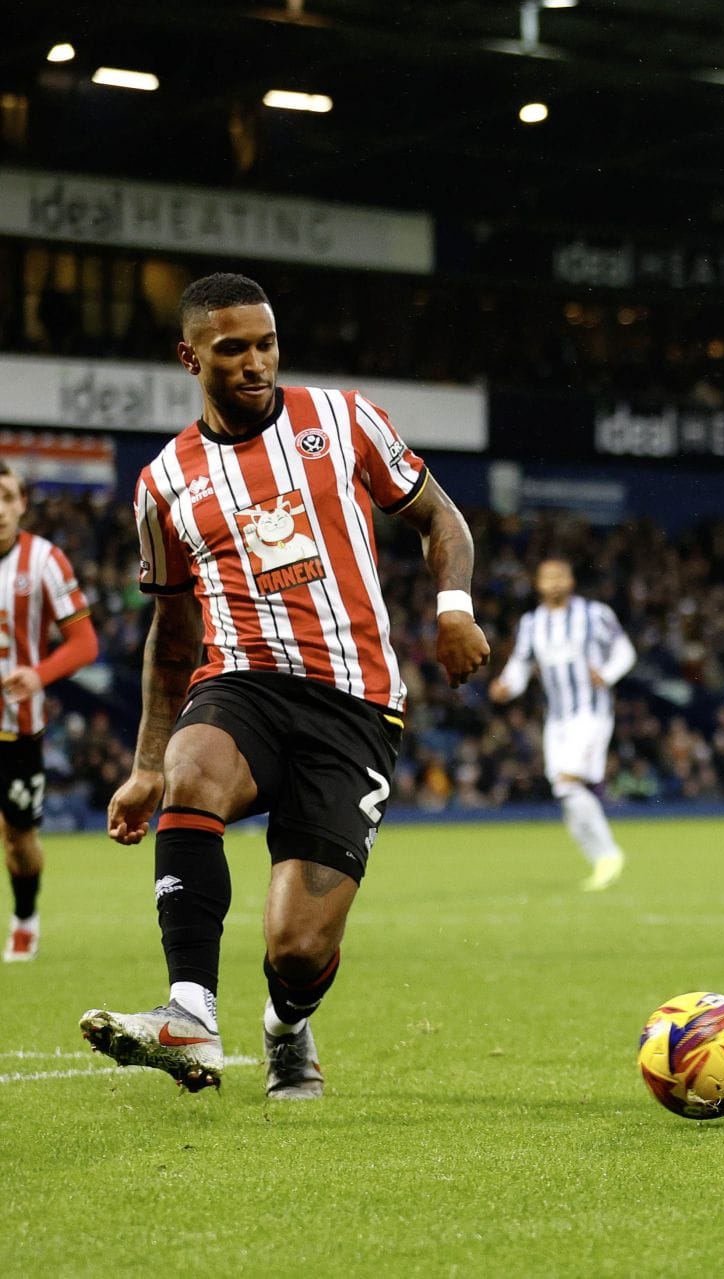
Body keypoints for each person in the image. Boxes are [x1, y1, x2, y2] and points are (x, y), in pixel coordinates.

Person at [81, 272, 490, 1097]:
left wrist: (454, 608)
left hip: (357, 703)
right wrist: (147, 763)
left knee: (296, 950)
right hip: (242, 682)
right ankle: (189, 1013)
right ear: (190, 356)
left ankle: (286, 1026)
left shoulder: (342, 420)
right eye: (233, 349)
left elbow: (440, 516)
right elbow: (172, 635)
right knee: (194, 771)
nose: (256, 362)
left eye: (266, 343)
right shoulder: (164, 483)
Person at [0, 463, 100, 962]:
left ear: (21, 504)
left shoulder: (44, 561)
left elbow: (84, 643)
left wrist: (38, 675)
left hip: (16, 729)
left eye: (6, 496)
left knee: (18, 840)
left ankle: (24, 921)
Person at [488, 558, 635, 889]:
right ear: (538, 583)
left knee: (568, 783)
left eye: (560, 576)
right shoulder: (531, 623)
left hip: (591, 711)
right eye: (547, 577)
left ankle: (609, 855)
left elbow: (625, 651)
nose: (554, 582)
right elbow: (520, 666)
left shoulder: (594, 614)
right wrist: (507, 686)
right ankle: (601, 860)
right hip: (557, 718)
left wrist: (607, 675)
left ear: (571, 580)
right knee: (565, 791)